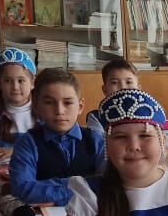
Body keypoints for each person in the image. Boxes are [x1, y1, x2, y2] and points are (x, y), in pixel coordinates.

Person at [8, 67, 105, 206]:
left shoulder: (96, 140)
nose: (59, 111)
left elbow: (109, 185)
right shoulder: (27, 143)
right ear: (37, 105)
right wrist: (83, 186)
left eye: (68, 103)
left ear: (80, 106)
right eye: (49, 103)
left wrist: (52, 196)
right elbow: (22, 189)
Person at [84, 58, 139, 135]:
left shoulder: (149, 114)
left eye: (128, 82)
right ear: (104, 89)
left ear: (138, 88)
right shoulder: (96, 117)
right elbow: (98, 141)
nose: (123, 87)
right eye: (114, 82)